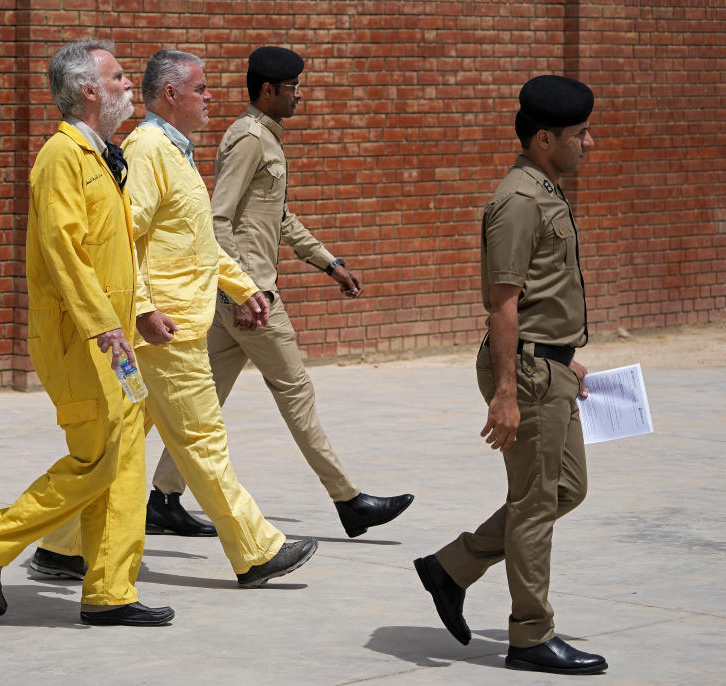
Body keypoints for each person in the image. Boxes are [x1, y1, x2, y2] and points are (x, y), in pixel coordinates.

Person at [30, 49, 318, 588]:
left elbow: (196, 240)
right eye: (201, 89)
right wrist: (140, 308)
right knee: (203, 437)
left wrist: (240, 285)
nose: (211, 98)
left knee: (125, 439)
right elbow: (122, 239)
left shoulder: (174, 151)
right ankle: (255, 550)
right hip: (167, 327)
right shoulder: (147, 150)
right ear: (171, 95)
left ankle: (61, 546)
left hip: (177, 320)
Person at [146, 46, 413, 539]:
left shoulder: (263, 137)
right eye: (293, 88)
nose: (300, 95)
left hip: (240, 298)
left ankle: (163, 497)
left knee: (206, 398)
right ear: (268, 90)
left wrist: (329, 262)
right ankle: (349, 500)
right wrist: (240, 293)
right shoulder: (249, 138)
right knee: (297, 395)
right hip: (255, 300)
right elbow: (218, 218)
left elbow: (276, 216)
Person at [0, 39, 175, 627]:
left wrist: (139, 315)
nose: (131, 86)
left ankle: (110, 593)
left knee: (125, 456)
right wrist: (104, 324)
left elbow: (115, 253)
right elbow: (63, 251)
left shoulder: (104, 155)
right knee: (98, 458)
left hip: (114, 338)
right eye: (120, 76)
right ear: (89, 90)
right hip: (82, 338)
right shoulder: (61, 156)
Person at [413, 75, 607, 674]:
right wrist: (504, 392)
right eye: (580, 135)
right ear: (546, 138)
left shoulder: (544, 189)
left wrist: (562, 354)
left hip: (548, 365)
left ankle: (452, 567)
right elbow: (502, 304)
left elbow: (541, 296)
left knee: (562, 490)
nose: (590, 143)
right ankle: (530, 635)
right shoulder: (519, 202)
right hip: (523, 374)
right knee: (533, 502)